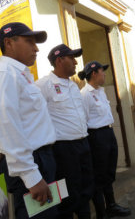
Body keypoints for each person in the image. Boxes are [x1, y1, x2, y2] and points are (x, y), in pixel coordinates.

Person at [0, 22, 57, 219]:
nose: (36, 48)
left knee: (49, 213)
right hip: (30, 163)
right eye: (29, 41)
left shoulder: (19, 74)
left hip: (40, 159)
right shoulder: (6, 73)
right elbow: (6, 125)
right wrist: (31, 177)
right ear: (8, 42)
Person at [36, 44, 94, 219]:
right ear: (60, 60)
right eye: (72, 58)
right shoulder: (43, 85)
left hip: (83, 143)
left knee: (86, 188)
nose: (76, 62)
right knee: (68, 195)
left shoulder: (73, 86)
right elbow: (36, 118)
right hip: (63, 149)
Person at [78, 61, 131, 219]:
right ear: (94, 73)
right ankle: (101, 212)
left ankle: (112, 205)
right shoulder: (85, 94)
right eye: (102, 71)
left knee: (108, 172)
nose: (105, 74)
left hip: (108, 133)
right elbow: (84, 121)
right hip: (96, 137)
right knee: (98, 176)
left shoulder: (100, 91)